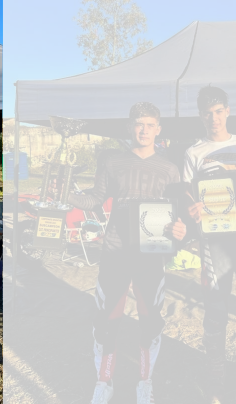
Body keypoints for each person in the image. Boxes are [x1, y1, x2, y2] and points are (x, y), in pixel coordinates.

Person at [65, 102, 185, 404]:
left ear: (158, 129)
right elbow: (95, 199)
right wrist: (64, 193)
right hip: (116, 251)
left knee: (150, 320)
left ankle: (145, 383)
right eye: (138, 124)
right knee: (107, 319)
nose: (143, 129)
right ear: (130, 127)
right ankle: (104, 383)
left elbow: (176, 214)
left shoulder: (170, 169)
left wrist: (181, 230)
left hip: (150, 255)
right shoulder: (113, 162)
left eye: (149, 124)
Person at [183, 86, 236, 404]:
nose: (214, 118)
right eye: (207, 112)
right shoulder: (194, 152)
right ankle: (216, 374)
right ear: (201, 115)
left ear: (228, 111)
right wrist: (193, 210)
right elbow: (189, 195)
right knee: (216, 304)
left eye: (219, 111)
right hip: (214, 238)